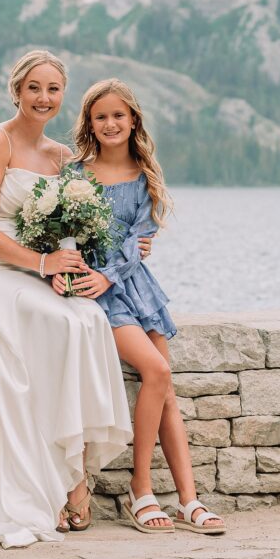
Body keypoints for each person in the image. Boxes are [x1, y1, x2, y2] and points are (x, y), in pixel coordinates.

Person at [0, 50, 133, 547]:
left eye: (53, 89)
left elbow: (83, 222)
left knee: (87, 317)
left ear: (62, 96)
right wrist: (43, 265)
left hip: (32, 270)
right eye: (34, 88)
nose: (43, 98)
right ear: (17, 91)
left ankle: (75, 466)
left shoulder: (62, 158)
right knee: (58, 322)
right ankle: (67, 483)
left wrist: (129, 245)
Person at [65, 78, 226, 535]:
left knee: (166, 389)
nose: (111, 123)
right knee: (156, 372)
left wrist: (111, 271)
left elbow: (140, 239)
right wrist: (89, 275)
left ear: (133, 119)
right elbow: (67, 235)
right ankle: (141, 488)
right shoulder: (75, 175)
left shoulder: (145, 174)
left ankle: (190, 500)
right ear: (90, 125)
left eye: (119, 115)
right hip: (97, 294)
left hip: (134, 287)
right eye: (101, 117)